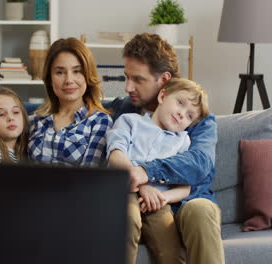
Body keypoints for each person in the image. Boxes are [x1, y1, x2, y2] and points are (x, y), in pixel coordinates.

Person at [106, 33, 224, 264]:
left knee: (200, 211)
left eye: (138, 79)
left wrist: (145, 172)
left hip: (185, 203)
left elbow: (199, 164)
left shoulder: (199, 119)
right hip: (135, 199)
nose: (129, 86)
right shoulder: (126, 111)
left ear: (163, 81)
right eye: (126, 77)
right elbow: (81, 106)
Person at [28, 37, 113, 167]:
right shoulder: (34, 120)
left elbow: (89, 179)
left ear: (88, 75)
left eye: (77, 71)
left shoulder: (100, 121)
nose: (69, 80)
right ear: (50, 79)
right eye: (60, 72)